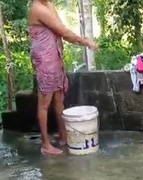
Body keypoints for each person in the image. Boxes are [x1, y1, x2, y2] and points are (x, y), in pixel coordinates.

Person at [28, 0, 98, 155]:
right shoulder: (38, 8)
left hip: (55, 55)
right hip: (45, 59)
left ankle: (63, 135)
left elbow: (61, 28)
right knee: (45, 102)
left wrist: (81, 39)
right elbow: (63, 32)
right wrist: (86, 42)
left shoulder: (49, 4)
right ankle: (46, 144)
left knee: (59, 96)